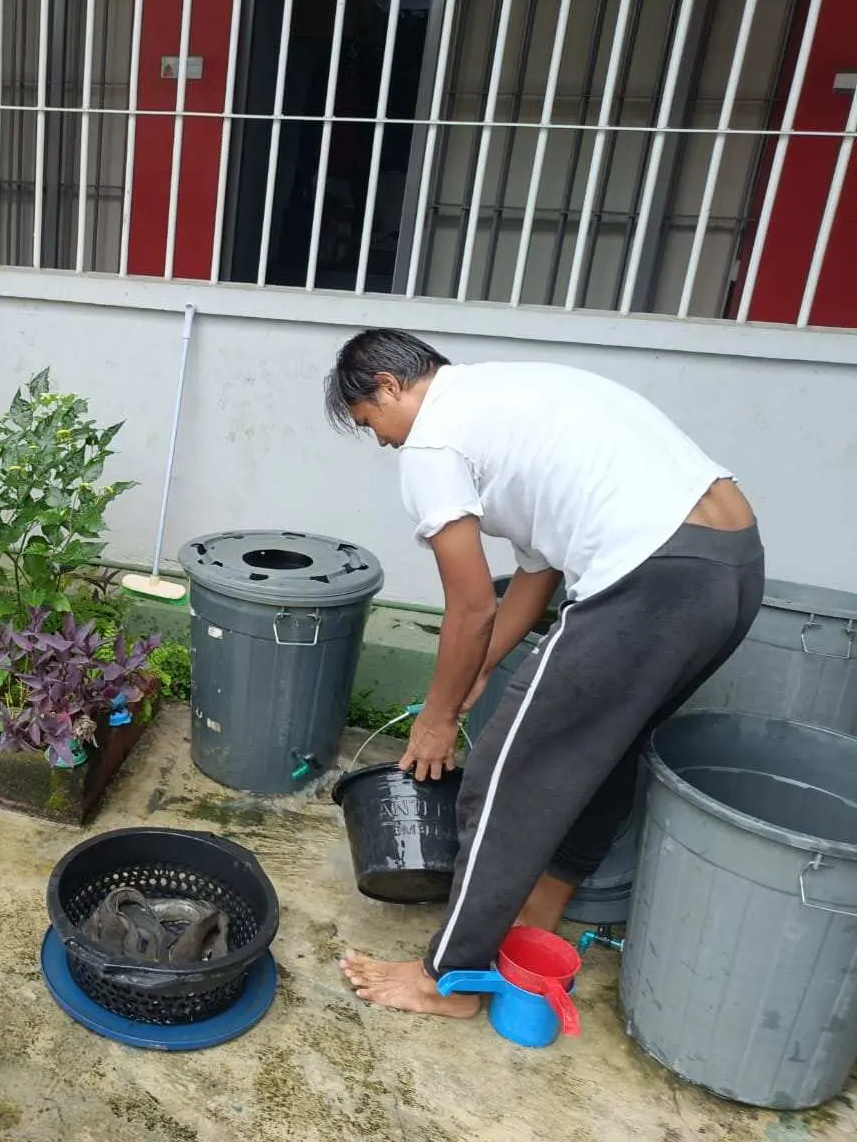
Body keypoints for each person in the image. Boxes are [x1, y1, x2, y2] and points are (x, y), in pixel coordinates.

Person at [326, 330, 762, 1019]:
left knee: (503, 774)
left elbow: (472, 605)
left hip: (652, 574)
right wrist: (477, 672)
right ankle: (538, 919)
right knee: (608, 752)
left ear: (388, 385)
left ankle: (450, 980)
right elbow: (537, 574)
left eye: (369, 422)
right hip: (733, 570)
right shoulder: (508, 395)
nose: (381, 441)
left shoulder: (433, 442)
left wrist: (439, 719)